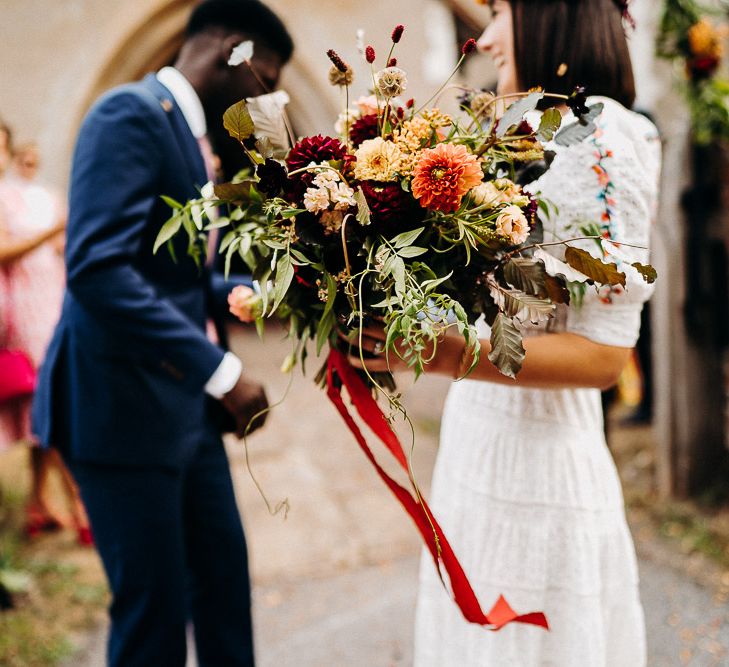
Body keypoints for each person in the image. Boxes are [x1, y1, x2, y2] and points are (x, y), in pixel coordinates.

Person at [353, 1, 661, 665]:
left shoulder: (599, 141)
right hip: (482, 442)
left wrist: (450, 355)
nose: (488, 38)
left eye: (501, 12)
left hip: (541, 469)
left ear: (552, 16)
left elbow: (606, 353)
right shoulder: (525, 131)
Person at [31, 2, 293, 665]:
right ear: (232, 48)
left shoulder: (186, 134)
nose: (270, 95)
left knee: (224, 590)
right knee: (154, 616)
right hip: (119, 409)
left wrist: (262, 293)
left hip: (184, 412)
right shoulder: (128, 114)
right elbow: (97, 270)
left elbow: (169, 278)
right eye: (267, 76)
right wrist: (222, 370)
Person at [0, 140, 92, 544]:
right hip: (23, 304)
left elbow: (60, 246)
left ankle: (37, 504)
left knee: (46, 402)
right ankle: (79, 501)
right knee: (49, 400)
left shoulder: (39, 197)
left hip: (52, 293)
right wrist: (52, 230)